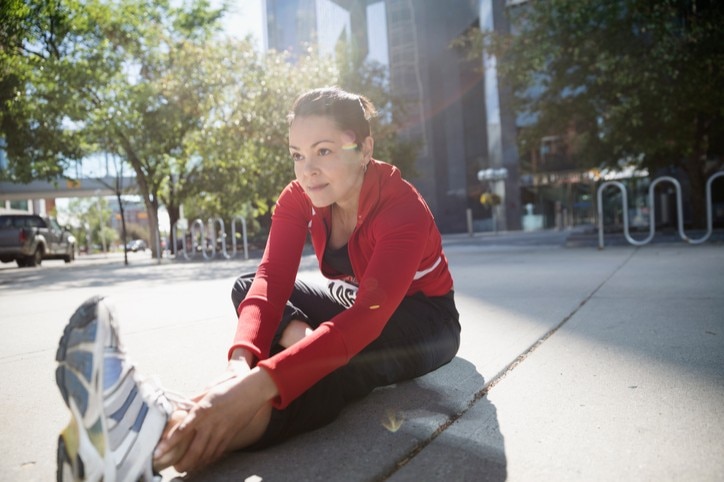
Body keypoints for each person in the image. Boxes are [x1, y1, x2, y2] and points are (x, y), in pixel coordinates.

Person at [55, 86, 461, 480]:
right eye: (298, 155)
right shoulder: (301, 195)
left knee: (340, 364)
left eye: (324, 151)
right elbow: (270, 279)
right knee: (249, 287)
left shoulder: (401, 208)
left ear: (365, 149)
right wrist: (239, 369)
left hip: (426, 319)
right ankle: (306, 349)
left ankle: (155, 436)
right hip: (356, 303)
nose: (308, 170)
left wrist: (261, 384)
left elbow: (367, 321)